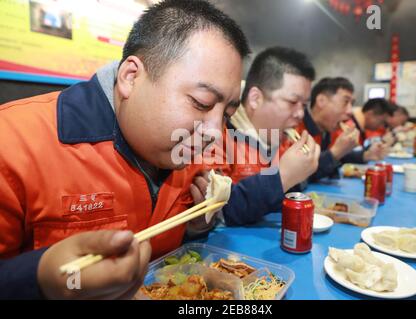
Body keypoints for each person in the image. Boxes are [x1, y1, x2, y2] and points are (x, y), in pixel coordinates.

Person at [0, 0, 250, 299]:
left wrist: (195, 227)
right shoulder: (14, 143)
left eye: (226, 114)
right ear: (131, 77)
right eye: (201, 102)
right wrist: (40, 276)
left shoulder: (191, 152)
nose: (215, 132)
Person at [189, 47, 320, 226]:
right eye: (292, 102)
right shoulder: (217, 135)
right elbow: (219, 209)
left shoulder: (284, 137)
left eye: (304, 105)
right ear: (255, 98)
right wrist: (283, 176)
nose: (300, 114)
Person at [296, 77, 388, 181]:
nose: (350, 111)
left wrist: (366, 155)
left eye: (351, 104)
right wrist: (335, 153)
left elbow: (334, 158)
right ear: (321, 101)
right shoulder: (294, 128)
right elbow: (297, 177)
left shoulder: (327, 129)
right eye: (345, 102)